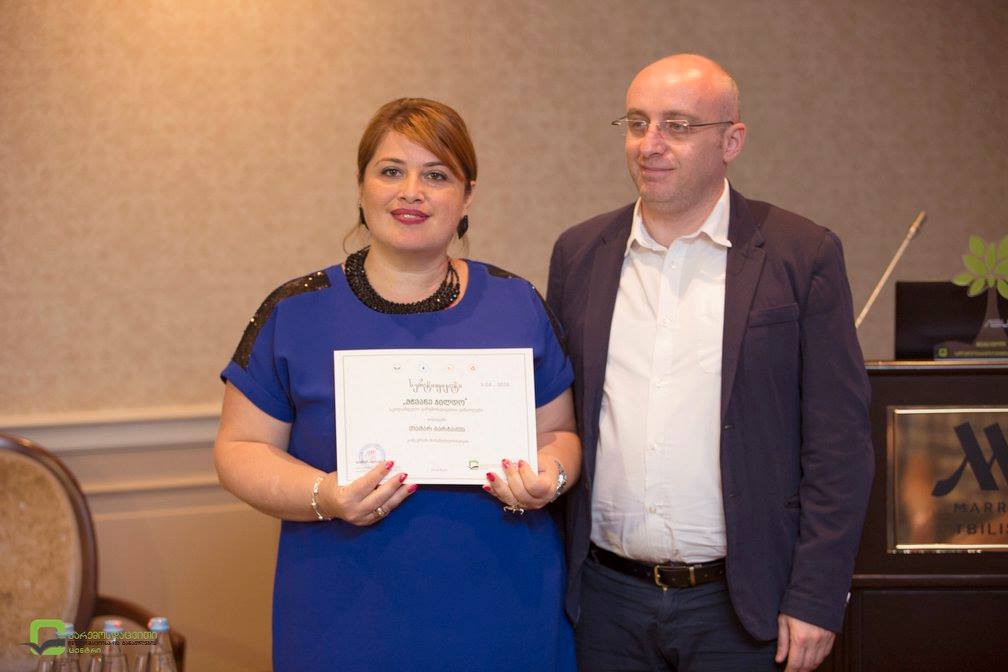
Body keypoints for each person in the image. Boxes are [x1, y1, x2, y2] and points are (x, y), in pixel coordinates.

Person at [214, 97, 580, 671]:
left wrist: (549, 476)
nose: (412, 192)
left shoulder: (517, 304)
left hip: (507, 609)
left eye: (436, 175)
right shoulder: (296, 312)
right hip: (344, 616)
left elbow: (560, 434)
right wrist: (325, 494)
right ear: (361, 186)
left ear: (467, 195)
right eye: (391, 171)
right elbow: (239, 449)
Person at [546, 54, 874, 672]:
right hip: (605, 603)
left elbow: (840, 444)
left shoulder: (801, 254)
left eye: (677, 125)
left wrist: (817, 595)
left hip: (744, 607)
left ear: (731, 141)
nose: (650, 144)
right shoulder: (579, 253)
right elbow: (560, 416)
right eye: (637, 123)